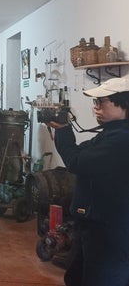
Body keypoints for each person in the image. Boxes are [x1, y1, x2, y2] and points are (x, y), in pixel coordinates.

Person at [48, 77, 129, 286]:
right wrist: (63, 129)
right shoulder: (110, 134)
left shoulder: (121, 140)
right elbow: (80, 152)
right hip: (94, 225)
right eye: (95, 103)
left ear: (124, 104)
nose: (96, 108)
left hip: (110, 229)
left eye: (101, 102)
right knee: (76, 277)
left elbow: (76, 161)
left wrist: (64, 130)